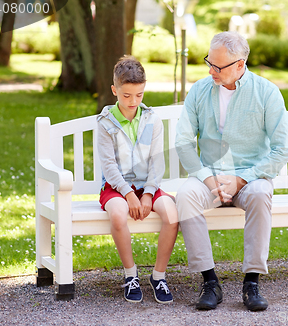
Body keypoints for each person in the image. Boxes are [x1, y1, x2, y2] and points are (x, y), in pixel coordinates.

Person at [175, 32, 288, 311]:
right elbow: (183, 142)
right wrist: (207, 177)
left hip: (249, 176)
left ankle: (251, 282)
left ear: (240, 65)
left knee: (262, 193)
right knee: (185, 196)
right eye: (209, 63)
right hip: (209, 176)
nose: (210, 71)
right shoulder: (199, 90)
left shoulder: (266, 92)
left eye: (218, 66)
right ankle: (210, 282)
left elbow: (283, 149)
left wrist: (242, 179)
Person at [97, 55, 178, 303]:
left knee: (172, 216)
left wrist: (149, 193)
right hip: (115, 187)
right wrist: (129, 194)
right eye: (126, 96)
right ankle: (130, 275)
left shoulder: (152, 120)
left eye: (139, 95)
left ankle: (158, 276)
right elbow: (109, 166)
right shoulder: (105, 123)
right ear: (114, 90)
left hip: (148, 186)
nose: (133, 101)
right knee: (120, 215)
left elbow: (157, 161)